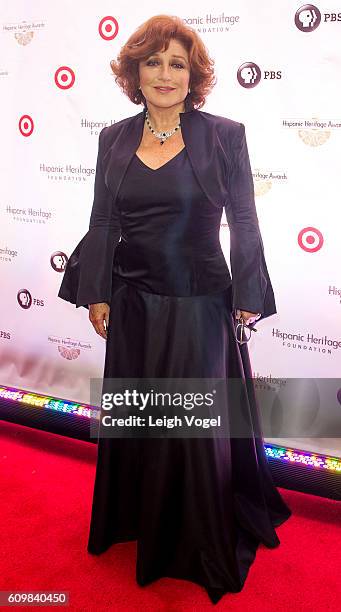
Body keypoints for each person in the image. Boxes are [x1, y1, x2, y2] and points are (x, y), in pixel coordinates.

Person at [58, 14, 291, 605]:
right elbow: (104, 221)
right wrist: (98, 291)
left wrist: (246, 295)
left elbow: (244, 220)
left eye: (177, 63)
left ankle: (193, 538)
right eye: (153, 62)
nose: (165, 74)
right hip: (133, 301)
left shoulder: (224, 134)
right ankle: (140, 519)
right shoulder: (112, 137)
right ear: (135, 72)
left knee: (191, 427)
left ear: (194, 75)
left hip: (197, 302)